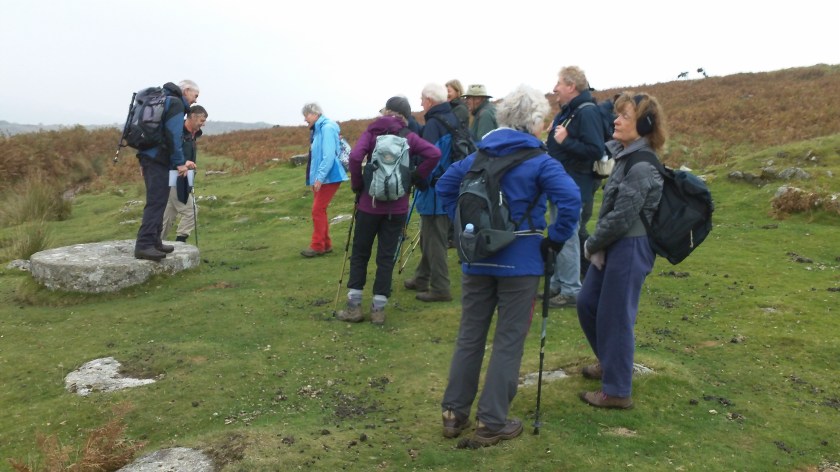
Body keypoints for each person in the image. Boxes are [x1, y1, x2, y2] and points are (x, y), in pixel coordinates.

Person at [436, 84, 581, 446]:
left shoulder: (477, 158)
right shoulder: (541, 161)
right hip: (522, 261)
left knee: (470, 335)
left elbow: (444, 188)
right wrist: (554, 240)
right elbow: (571, 200)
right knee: (508, 340)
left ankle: (454, 413)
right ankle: (492, 422)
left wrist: (467, 230)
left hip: (477, 260)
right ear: (534, 122)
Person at [576, 92, 667, 409]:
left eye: (625, 116)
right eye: (617, 114)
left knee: (616, 317)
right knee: (587, 303)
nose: (616, 120)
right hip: (615, 244)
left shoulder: (642, 165)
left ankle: (616, 391)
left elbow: (622, 216)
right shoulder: (626, 156)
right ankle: (609, 361)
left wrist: (592, 243)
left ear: (643, 124)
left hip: (630, 246)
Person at [336, 97, 441, 324]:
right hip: (397, 207)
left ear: (386, 112)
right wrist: (413, 177)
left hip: (368, 204)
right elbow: (434, 154)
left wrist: (357, 185)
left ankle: (354, 307)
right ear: (404, 116)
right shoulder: (408, 136)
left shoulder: (372, 132)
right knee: (386, 257)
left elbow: (355, 157)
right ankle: (378, 310)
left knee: (360, 254)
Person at [545, 66, 606, 308]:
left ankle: (571, 289)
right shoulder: (570, 111)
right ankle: (558, 283)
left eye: (558, 83)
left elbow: (595, 150)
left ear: (571, 86)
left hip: (574, 185)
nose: (554, 88)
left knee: (568, 236)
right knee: (559, 232)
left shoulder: (586, 112)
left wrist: (565, 141)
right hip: (561, 183)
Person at [404, 83, 459, 302]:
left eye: (422, 99)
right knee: (428, 235)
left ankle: (440, 287)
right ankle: (422, 276)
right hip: (448, 185)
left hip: (436, 189)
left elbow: (429, 158)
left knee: (434, 239)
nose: (420, 103)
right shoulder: (452, 118)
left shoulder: (434, 125)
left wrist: (419, 180)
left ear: (430, 100)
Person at [134, 80, 199, 261]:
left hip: (151, 157)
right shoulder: (176, 103)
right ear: (186, 90)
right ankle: (144, 245)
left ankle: (155, 241)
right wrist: (179, 163)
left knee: (161, 201)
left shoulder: (164, 100)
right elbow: (173, 135)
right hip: (157, 159)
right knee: (156, 202)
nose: (194, 101)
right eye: (195, 96)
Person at [301, 102, 348, 257]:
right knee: (320, 209)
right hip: (325, 176)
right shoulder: (319, 129)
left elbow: (328, 156)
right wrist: (315, 178)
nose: (305, 119)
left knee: (317, 209)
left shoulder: (326, 128)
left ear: (315, 114)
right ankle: (325, 244)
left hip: (330, 176)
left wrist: (319, 178)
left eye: (306, 115)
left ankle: (318, 245)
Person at [161, 104, 208, 243]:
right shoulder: (177, 132)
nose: (203, 124)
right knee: (191, 211)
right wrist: (183, 162)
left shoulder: (193, 134)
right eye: (201, 120)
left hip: (184, 176)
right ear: (192, 117)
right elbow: (167, 153)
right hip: (175, 175)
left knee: (168, 213)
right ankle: (180, 241)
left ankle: (155, 242)